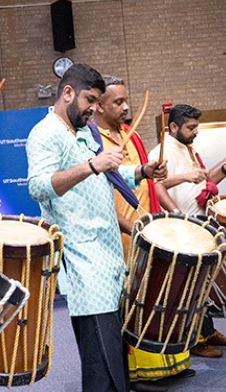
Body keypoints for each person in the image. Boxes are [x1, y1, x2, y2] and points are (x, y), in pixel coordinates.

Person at [26, 64, 166, 392]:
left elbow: (106, 175)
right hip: (83, 260)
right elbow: (38, 186)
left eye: (98, 101)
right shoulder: (45, 133)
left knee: (113, 352)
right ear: (68, 93)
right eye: (90, 99)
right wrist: (91, 165)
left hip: (107, 254)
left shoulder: (83, 132)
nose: (95, 108)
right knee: (100, 358)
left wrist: (142, 171)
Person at [93, 77, 193, 391]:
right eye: (117, 102)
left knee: (156, 295)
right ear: (98, 106)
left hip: (146, 226)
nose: (125, 107)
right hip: (121, 234)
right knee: (130, 301)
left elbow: (146, 181)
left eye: (126, 100)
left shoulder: (130, 136)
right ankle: (137, 371)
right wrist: (135, 228)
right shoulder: (93, 141)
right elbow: (99, 196)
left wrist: (163, 204)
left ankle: (167, 364)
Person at [148, 104, 226, 358]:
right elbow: (155, 185)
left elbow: (202, 182)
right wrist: (177, 216)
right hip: (181, 228)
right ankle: (194, 340)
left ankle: (208, 331)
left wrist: (222, 171)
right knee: (187, 287)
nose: (195, 132)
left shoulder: (190, 149)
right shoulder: (160, 152)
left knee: (203, 284)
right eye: (191, 128)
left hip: (199, 224)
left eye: (196, 127)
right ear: (174, 127)